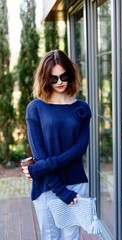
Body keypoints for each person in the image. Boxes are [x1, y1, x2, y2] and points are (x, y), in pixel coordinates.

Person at [21, 49, 92, 240]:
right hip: (47, 185)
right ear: (45, 79)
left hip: (76, 183)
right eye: (53, 78)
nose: (59, 82)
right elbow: (39, 152)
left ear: (71, 74)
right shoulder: (35, 108)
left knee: (72, 237)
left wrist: (40, 168)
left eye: (63, 76)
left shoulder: (82, 108)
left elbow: (80, 148)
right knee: (51, 237)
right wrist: (61, 190)